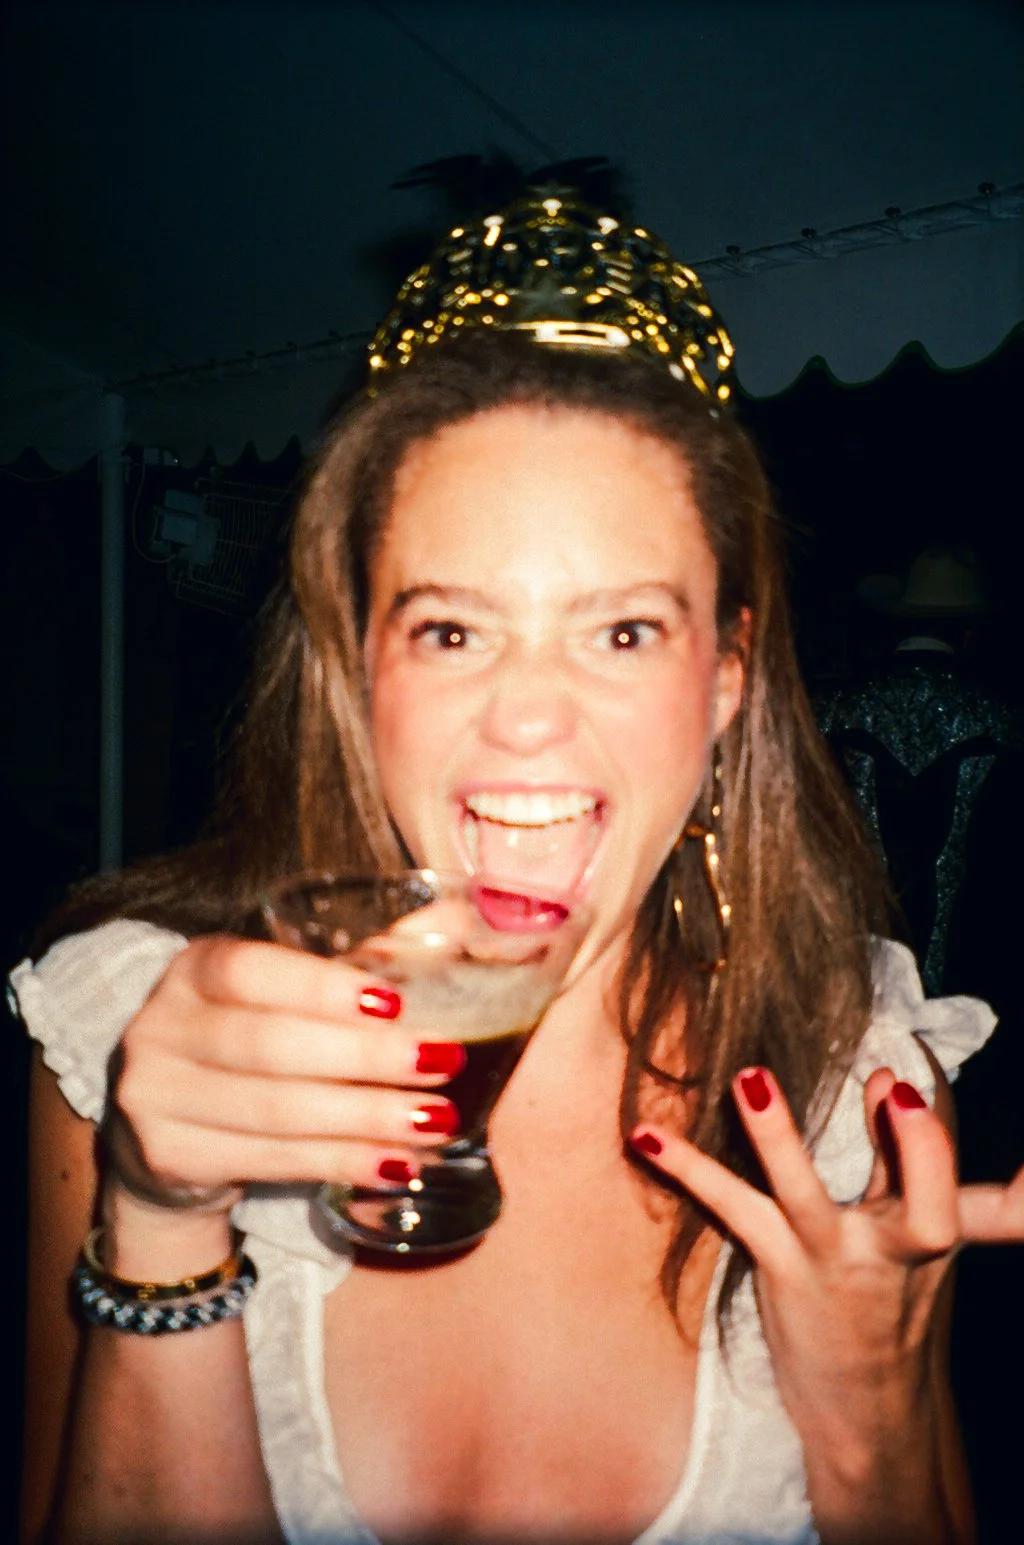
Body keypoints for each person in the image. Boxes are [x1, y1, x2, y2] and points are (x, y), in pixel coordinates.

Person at [10, 190, 1024, 1545]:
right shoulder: (143, 1033)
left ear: (726, 677)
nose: (530, 717)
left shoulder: (858, 1096)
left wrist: (871, 1421)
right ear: (355, 664)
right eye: (448, 631)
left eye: (621, 632)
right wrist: (157, 1220)